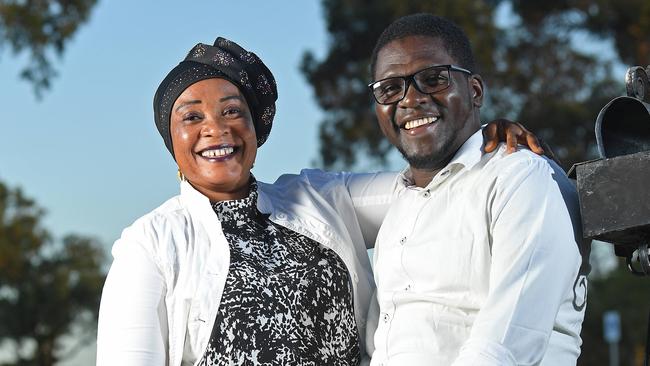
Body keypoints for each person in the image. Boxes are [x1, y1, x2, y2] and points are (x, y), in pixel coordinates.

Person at [96, 36, 543, 365]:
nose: (217, 128)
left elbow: (438, 185)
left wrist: (482, 140)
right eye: (191, 116)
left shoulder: (318, 198)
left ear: (255, 128)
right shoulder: (150, 244)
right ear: (170, 141)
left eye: (234, 110)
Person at [366, 14, 589, 366]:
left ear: (474, 91)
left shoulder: (519, 177)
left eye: (433, 79)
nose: (409, 100)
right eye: (390, 89)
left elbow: (507, 345)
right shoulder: (399, 205)